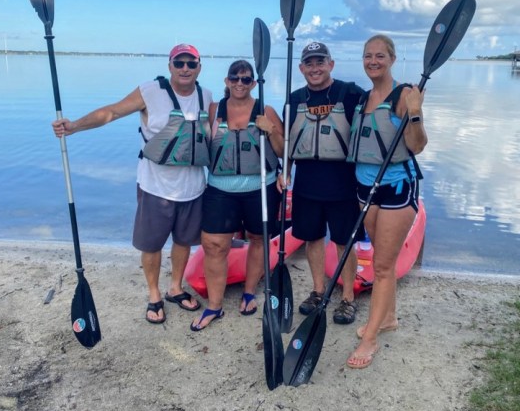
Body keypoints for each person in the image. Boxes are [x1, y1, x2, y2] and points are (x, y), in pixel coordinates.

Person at [52, 44, 213, 325]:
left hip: (193, 188)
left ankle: (175, 287)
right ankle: (153, 295)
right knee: (150, 245)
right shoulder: (151, 91)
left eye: (191, 63)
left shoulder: (206, 96)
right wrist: (74, 126)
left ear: (199, 67)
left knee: (184, 241)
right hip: (155, 187)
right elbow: (112, 112)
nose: (185, 68)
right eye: (179, 62)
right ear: (170, 65)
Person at [345, 34, 427, 369]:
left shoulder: (403, 95)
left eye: (380, 55)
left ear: (392, 59)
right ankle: (389, 316)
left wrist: (416, 112)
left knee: (380, 266)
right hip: (366, 187)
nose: (373, 61)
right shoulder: (363, 98)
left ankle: (370, 339)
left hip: (396, 188)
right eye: (368, 56)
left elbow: (418, 145)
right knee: (383, 261)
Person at [190, 60, 284, 331]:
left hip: (261, 188)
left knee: (257, 239)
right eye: (235, 78)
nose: (240, 83)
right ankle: (214, 305)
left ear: (253, 83)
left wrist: (272, 131)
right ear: (226, 81)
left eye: (246, 79)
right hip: (220, 189)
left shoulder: (266, 110)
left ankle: (249, 292)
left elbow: (281, 151)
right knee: (214, 245)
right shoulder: (213, 111)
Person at [279, 41, 366, 325]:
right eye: (309, 63)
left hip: (343, 183)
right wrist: (286, 172)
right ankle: (318, 291)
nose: (315, 68)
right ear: (301, 68)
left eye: (320, 62)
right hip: (306, 184)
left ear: (331, 64)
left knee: (344, 242)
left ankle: (348, 298)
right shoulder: (294, 100)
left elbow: (376, 109)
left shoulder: (350, 93)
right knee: (312, 239)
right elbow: (288, 142)